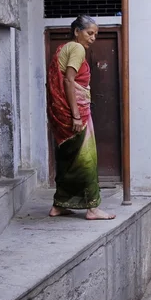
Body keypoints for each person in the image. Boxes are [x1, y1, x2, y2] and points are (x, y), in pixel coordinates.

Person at [47, 15, 115, 220]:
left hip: (61, 114)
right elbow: (68, 81)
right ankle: (93, 208)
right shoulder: (77, 49)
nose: (93, 38)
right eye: (90, 33)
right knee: (87, 159)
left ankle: (58, 206)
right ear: (77, 31)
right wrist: (76, 116)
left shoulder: (63, 48)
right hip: (75, 114)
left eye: (95, 34)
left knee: (67, 159)